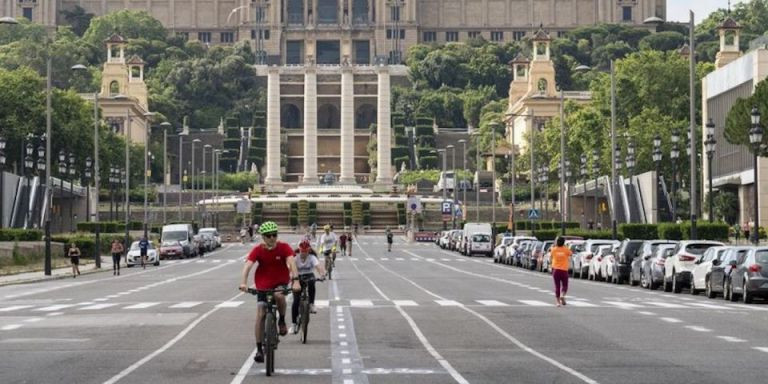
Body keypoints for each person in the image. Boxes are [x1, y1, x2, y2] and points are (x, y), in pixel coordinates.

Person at [239, 221, 300, 364]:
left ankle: (282, 321)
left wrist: (296, 280)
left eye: (274, 235)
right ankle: (259, 349)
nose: (272, 238)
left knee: (279, 295)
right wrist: (243, 282)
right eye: (268, 235)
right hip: (263, 284)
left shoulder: (284, 247)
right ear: (263, 237)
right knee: (260, 314)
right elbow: (248, 265)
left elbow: (292, 262)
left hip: (280, 281)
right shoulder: (258, 250)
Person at [290, 240, 325, 334]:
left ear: (308, 251)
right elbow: (289, 267)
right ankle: (293, 324)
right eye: (302, 251)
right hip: (297, 277)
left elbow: (318, 267)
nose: (303, 254)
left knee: (312, 282)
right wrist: (290, 277)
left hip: (309, 275)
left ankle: (311, 304)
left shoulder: (312, 257)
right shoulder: (294, 257)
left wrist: (322, 274)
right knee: (296, 301)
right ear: (299, 250)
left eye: (305, 252)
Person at [550, 236, 572, 307]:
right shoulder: (566, 250)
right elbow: (571, 254)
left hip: (556, 270)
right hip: (564, 270)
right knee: (565, 285)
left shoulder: (553, 249)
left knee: (557, 286)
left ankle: (558, 302)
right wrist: (565, 247)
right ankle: (562, 295)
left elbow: (551, 257)